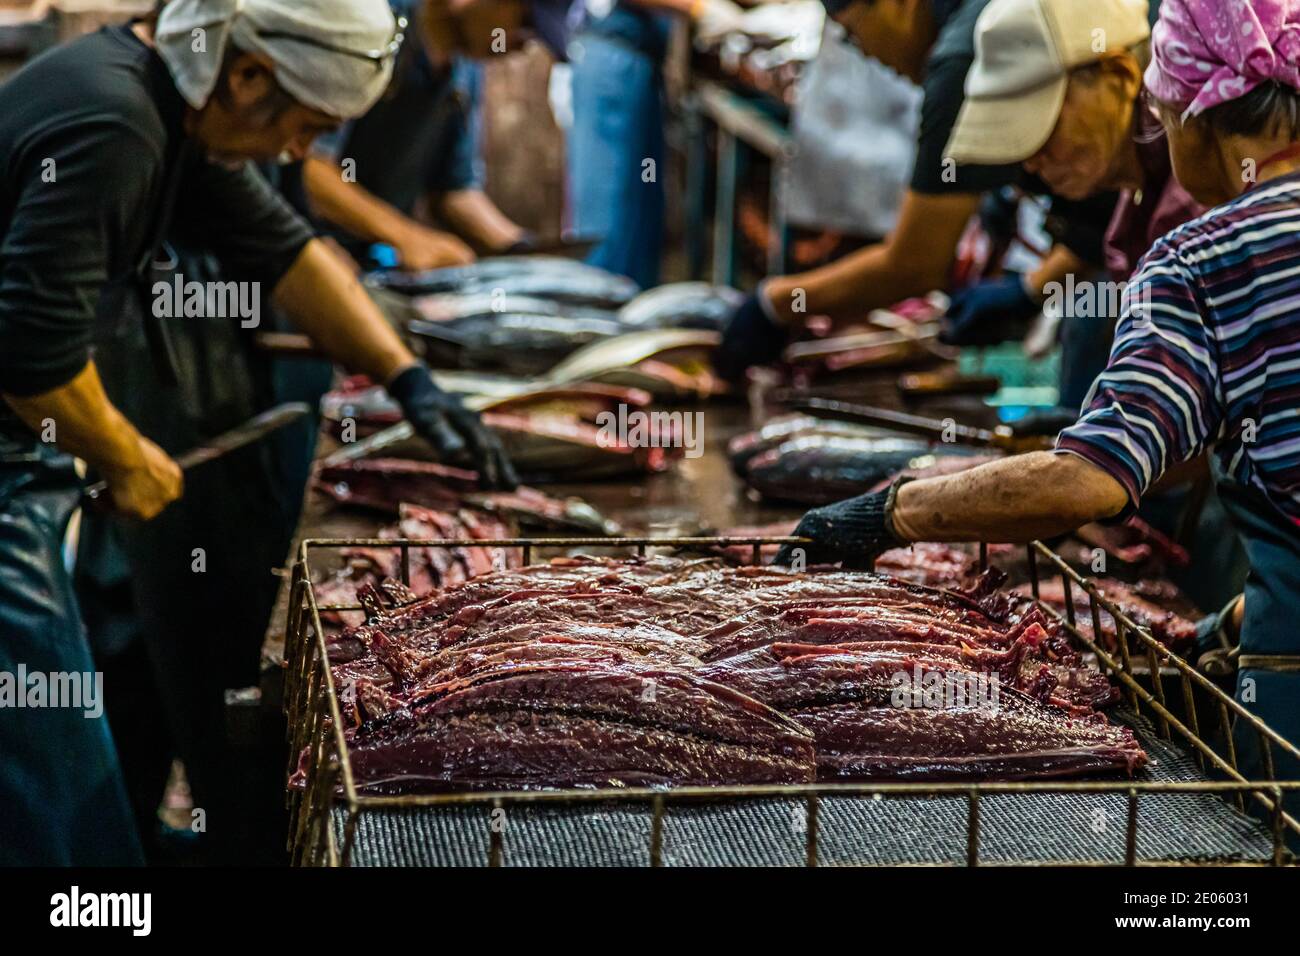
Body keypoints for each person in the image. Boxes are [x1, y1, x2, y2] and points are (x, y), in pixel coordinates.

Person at [0, 0, 514, 866]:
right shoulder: (119, 125)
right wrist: (124, 456)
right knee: (45, 737)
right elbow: (28, 350)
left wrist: (409, 378)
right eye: (306, 127)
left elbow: (286, 250)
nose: (298, 156)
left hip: (27, 451)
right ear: (245, 76)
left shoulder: (173, 106)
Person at [777, 0, 1300, 826]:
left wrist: (892, 511)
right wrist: (1249, 612)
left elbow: (1087, 482)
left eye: (1163, 117)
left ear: (1197, 121)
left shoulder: (1201, 259)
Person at [712, 0, 1120, 385]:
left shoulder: (964, 60)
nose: (866, 56)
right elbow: (1107, 202)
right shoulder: (978, 26)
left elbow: (916, 262)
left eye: (853, 34)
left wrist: (775, 305)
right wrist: (1034, 287)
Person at [296, 0, 532, 272]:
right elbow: (310, 164)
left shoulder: (464, 72)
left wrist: (522, 250)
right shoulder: (375, 29)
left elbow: (454, 191)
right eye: (525, 22)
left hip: (372, 263)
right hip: (310, 246)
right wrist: (406, 236)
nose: (522, 43)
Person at [568, 0, 746, 288]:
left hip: (638, 63)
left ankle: (633, 316)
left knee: (641, 216)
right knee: (608, 220)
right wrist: (697, 8)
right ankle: (595, 319)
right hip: (612, 62)